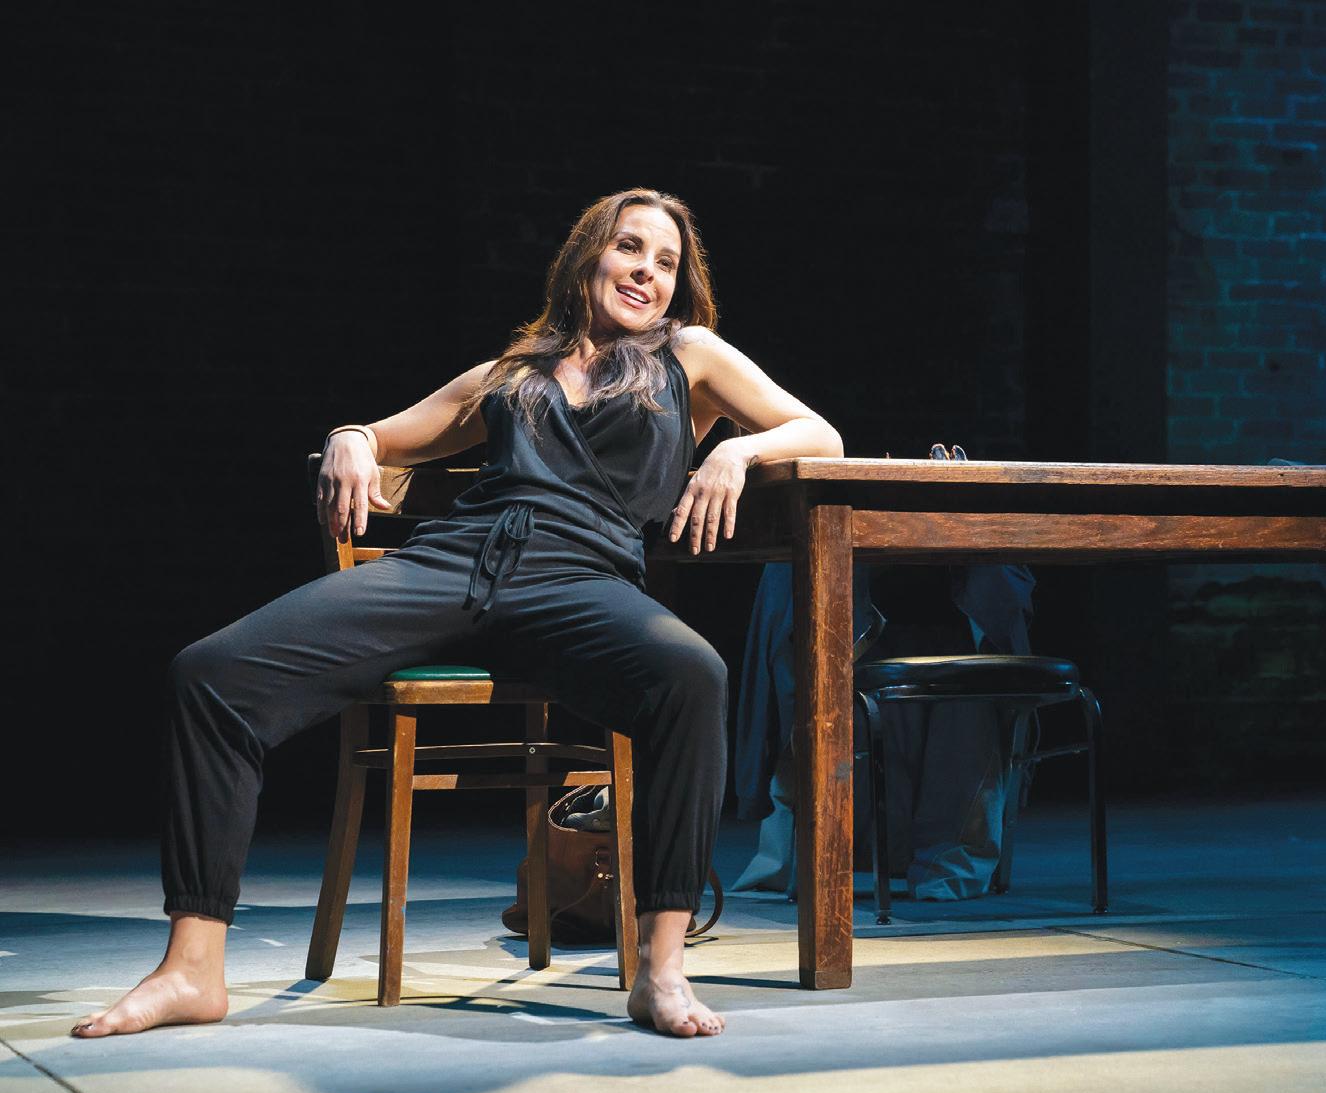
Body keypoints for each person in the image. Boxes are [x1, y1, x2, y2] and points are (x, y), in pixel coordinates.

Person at [70, 188, 844, 1040]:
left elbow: (819, 433)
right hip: (452, 565)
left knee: (692, 674)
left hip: (580, 580)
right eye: (629, 248)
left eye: (665, 264)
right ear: (586, 258)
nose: (646, 273)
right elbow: (386, 434)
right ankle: (192, 969)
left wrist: (738, 450)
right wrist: (351, 436)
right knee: (210, 675)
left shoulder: (687, 356)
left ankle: (659, 970)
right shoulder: (510, 373)